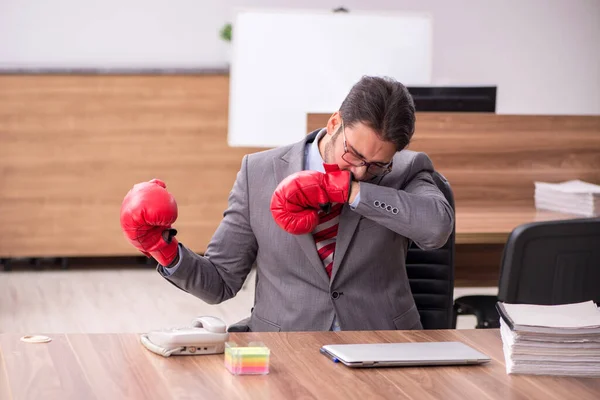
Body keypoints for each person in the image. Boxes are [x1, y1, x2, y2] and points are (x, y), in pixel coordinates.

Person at [120, 76, 454, 332]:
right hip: (284, 347)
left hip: (380, 344)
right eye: (353, 154)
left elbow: (437, 227)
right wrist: (163, 249)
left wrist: (351, 193)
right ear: (335, 123)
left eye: (377, 164)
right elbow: (221, 282)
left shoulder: (407, 169)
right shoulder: (259, 172)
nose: (361, 170)